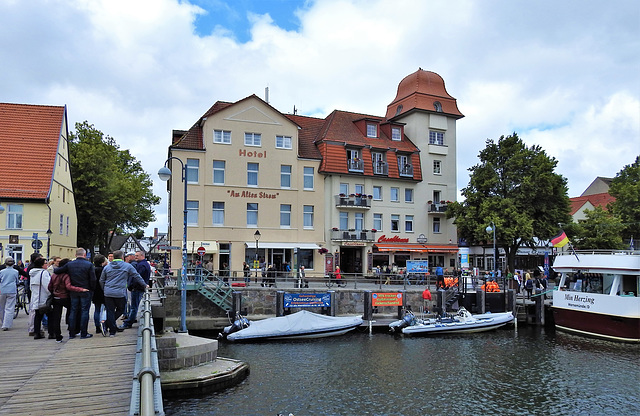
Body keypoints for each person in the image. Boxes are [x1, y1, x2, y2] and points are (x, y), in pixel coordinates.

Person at [100, 250, 148, 337]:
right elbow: (136, 276)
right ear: (122, 257)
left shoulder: (107, 267)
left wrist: (105, 289)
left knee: (110, 311)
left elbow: (101, 280)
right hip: (120, 292)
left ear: (114, 257)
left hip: (108, 292)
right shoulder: (127, 266)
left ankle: (112, 331)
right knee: (121, 310)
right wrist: (144, 285)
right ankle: (108, 325)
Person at [54, 248, 96, 339]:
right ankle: (83, 333)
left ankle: (72, 333)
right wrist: (92, 289)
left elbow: (56, 271)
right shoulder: (89, 265)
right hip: (85, 290)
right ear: (84, 255)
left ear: (76, 255)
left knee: (73, 311)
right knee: (85, 311)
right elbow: (93, 279)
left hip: (73, 291)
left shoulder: (70, 264)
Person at [48, 258, 89, 342]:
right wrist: (81, 289)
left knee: (56, 317)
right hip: (66, 297)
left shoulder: (54, 275)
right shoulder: (66, 275)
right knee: (73, 312)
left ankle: (57, 335)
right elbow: (68, 286)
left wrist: (54, 292)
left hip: (56, 297)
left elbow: (49, 286)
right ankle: (73, 329)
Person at [120, 251, 151, 330]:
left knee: (134, 307)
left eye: (137, 256)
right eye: (135, 255)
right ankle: (130, 320)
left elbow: (137, 277)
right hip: (139, 288)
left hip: (137, 288)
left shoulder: (141, 265)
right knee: (134, 306)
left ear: (142, 256)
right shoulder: (144, 264)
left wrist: (131, 285)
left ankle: (128, 323)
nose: (135, 257)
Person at [29, 257, 52, 340]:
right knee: (50, 315)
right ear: (42, 265)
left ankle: (37, 333)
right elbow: (47, 286)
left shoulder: (32, 273)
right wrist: (51, 294)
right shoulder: (44, 273)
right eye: (46, 263)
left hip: (35, 297)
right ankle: (51, 333)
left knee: (37, 316)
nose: (47, 264)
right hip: (43, 297)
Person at [0, 257, 20, 331]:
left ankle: (3, 322)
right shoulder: (15, 272)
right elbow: (17, 281)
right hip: (12, 290)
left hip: (2, 290)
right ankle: (6, 324)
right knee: (10, 308)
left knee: (1, 307)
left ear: (5, 263)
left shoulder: (1, 272)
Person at [92, 254, 107, 334]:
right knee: (106, 309)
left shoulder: (93, 270)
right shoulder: (105, 270)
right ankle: (104, 324)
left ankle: (97, 327)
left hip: (95, 291)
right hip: (104, 290)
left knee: (97, 309)